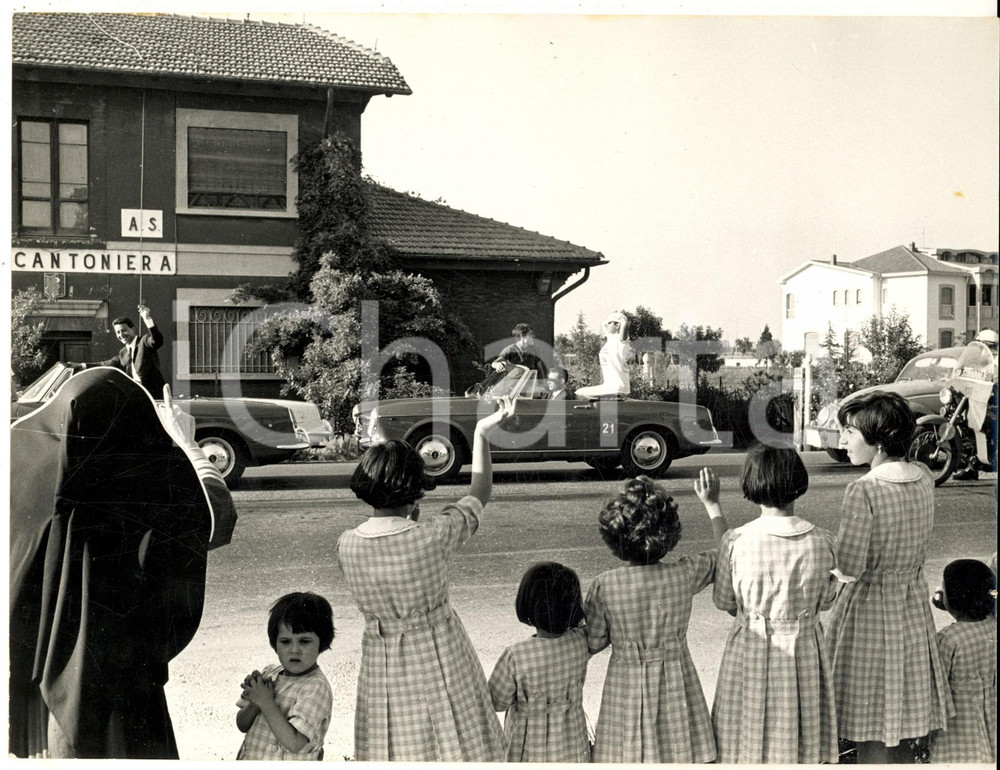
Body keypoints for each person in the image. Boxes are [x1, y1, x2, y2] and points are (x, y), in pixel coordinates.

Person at [9, 367, 237, 759]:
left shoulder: (21, 484)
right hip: (126, 696)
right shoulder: (140, 496)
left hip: (39, 693)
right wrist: (186, 443)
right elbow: (215, 518)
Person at [336, 396, 518, 761]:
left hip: (383, 661)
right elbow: (479, 493)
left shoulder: (346, 544)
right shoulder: (430, 536)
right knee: (457, 736)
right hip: (441, 652)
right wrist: (481, 432)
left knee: (395, 738)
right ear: (416, 488)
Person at [824, 391, 953, 763]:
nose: (843, 440)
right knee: (898, 720)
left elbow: (849, 566)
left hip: (868, 613)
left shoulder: (865, 489)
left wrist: (826, 552)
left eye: (849, 432)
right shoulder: (924, 477)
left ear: (878, 440)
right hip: (911, 609)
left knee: (870, 726)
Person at [583, 471, 729, 763]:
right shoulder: (682, 574)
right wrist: (713, 505)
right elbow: (725, 553)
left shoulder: (605, 585)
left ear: (613, 538)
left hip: (626, 686)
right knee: (679, 748)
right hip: (678, 680)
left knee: (628, 753)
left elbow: (595, 641)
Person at [707, 443, 839, 764]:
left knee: (744, 736)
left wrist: (713, 506)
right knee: (800, 734)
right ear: (799, 482)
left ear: (751, 486)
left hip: (750, 650)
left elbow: (725, 601)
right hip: (805, 651)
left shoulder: (737, 541)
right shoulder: (824, 541)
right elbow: (827, 600)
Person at [488, 562, 591, 763]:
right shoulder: (580, 641)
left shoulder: (516, 655)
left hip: (528, 746)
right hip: (572, 742)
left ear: (527, 604)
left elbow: (497, 702)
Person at [236, 592, 335, 761]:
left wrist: (265, 702)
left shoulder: (315, 687)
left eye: (304, 641)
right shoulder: (269, 673)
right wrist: (254, 702)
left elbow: (295, 743)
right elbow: (242, 725)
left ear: (322, 642)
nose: (294, 649)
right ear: (275, 643)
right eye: (285, 641)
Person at [928, 559, 996, 763]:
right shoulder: (993, 626)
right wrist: (952, 604)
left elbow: (936, 685)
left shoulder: (947, 639)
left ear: (953, 598)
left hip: (960, 728)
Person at [73, 303, 166, 395]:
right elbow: (105, 364)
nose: (121, 335)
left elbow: (157, 340)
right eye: (118, 332)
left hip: (154, 395)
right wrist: (81, 365)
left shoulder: (144, 342)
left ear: (133, 329)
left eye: (123, 330)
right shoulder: (123, 353)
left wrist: (147, 319)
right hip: (136, 395)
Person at [576, 310, 634, 398]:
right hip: (609, 386)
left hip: (618, 387)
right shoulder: (611, 339)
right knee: (579, 392)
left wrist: (622, 319)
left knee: (580, 393)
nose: (607, 325)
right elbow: (603, 324)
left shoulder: (621, 341)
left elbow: (625, 324)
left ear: (618, 325)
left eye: (610, 323)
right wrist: (609, 321)